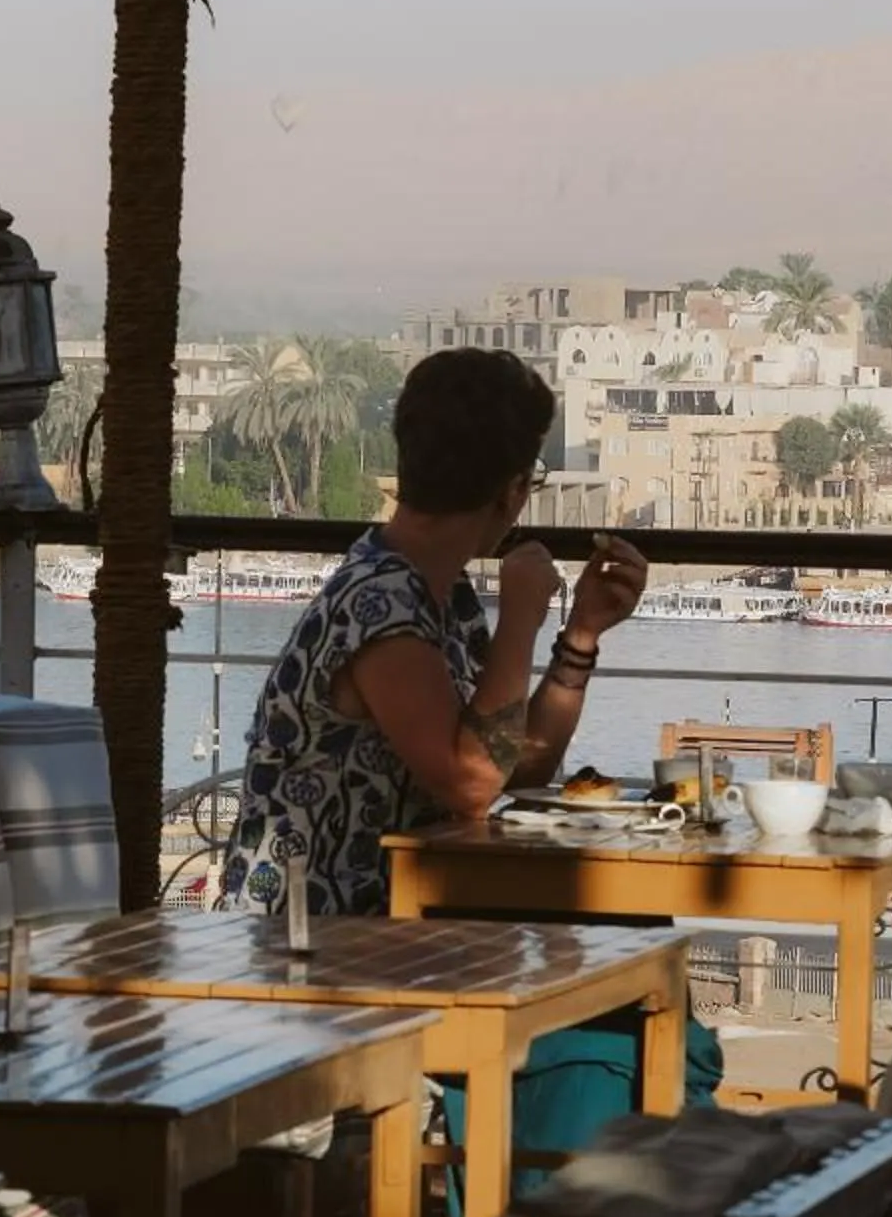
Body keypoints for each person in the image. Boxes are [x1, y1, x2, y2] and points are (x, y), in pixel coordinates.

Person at [213, 345, 722, 1174]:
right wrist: (521, 612)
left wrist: (580, 635)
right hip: (319, 943)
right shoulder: (379, 602)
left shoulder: (430, 593)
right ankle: (560, 1208)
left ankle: (584, 1197)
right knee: (611, 982)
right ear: (514, 492)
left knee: (627, 949)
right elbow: (473, 782)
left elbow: (521, 766)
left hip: (412, 922)